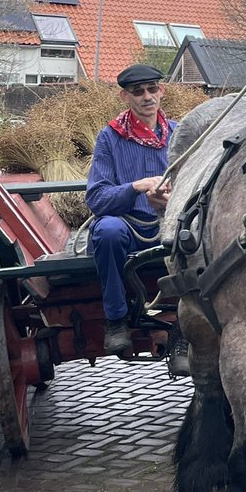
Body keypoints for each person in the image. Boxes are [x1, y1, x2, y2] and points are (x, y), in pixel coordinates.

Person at [86, 64, 175, 354]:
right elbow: (97, 199)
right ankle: (116, 321)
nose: (147, 96)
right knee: (107, 232)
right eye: (138, 92)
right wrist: (134, 187)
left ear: (161, 91)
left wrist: (171, 200)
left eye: (152, 89)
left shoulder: (180, 133)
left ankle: (186, 326)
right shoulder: (109, 137)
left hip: (169, 225)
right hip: (128, 228)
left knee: (199, 232)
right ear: (125, 97)